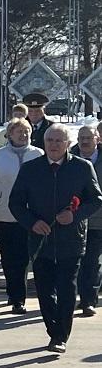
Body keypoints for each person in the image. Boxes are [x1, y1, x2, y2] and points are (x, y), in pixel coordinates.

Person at [9, 123, 102, 353]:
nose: (54, 145)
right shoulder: (31, 169)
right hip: (41, 240)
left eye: (59, 141)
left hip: (72, 239)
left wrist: (75, 215)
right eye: (50, 140)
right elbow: (16, 203)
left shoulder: (82, 167)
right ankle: (53, 329)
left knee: (67, 288)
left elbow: (96, 199)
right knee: (44, 288)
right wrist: (32, 222)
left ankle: (60, 336)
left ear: (68, 144)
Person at [0, 118, 44, 314]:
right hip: (4, 215)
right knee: (9, 258)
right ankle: (14, 294)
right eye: (19, 131)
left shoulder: (38, 154)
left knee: (26, 258)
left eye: (26, 131)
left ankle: (22, 295)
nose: (23, 134)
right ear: (9, 134)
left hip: (31, 216)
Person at [71, 125, 102, 316]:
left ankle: (88, 300)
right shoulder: (69, 158)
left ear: (97, 139)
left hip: (98, 221)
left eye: (88, 138)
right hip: (73, 220)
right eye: (81, 137)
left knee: (92, 261)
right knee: (75, 262)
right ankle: (71, 298)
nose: (84, 141)